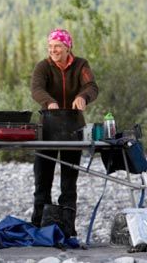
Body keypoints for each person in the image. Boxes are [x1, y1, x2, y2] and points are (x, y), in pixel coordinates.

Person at [30, 28, 99, 237]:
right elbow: (36, 89)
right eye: (50, 47)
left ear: (67, 47)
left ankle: (67, 229)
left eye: (57, 46)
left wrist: (83, 97)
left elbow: (92, 86)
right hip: (48, 128)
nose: (53, 50)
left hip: (72, 128)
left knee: (69, 183)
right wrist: (49, 101)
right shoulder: (43, 66)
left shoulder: (81, 65)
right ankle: (39, 227)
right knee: (42, 180)